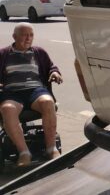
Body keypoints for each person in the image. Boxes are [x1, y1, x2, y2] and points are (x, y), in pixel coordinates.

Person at [0, 23, 62, 167]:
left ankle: (51, 149)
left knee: (48, 102)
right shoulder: (3, 54)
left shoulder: (39, 52)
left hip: (36, 91)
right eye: (24, 35)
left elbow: (51, 67)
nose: (28, 38)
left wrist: (54, 73)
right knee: (7, 109)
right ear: (14, 37)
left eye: (31, 35)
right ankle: (24, 153)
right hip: (12, 93)